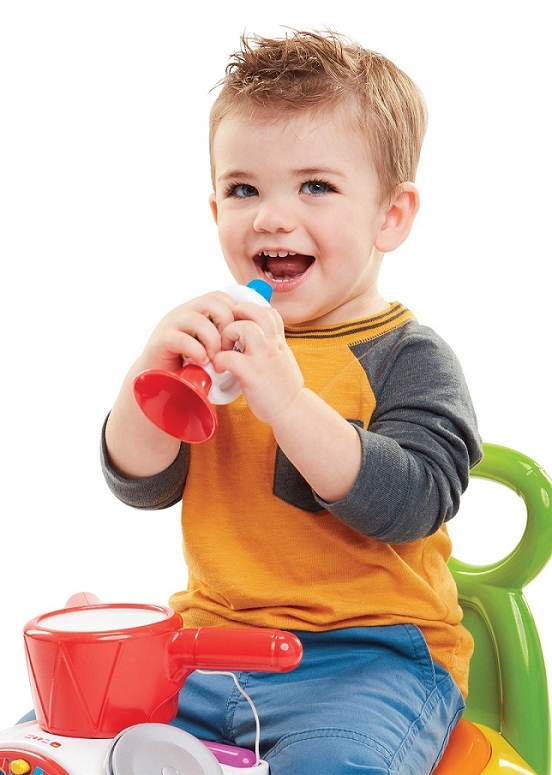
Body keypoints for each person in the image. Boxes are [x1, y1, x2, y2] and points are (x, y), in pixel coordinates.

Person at [101, 29, 482, 774]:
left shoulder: (409, 356)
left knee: (332, 764)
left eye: (315, 186)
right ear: (215, 208)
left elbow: (411, 502)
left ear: (390, 215)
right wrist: (148, 372)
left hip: (369, 659)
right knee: (63, 736)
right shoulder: (214, 341)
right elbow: (140, 482)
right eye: (244, 190)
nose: (271, 217)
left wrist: (288, 400)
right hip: (206, 646)